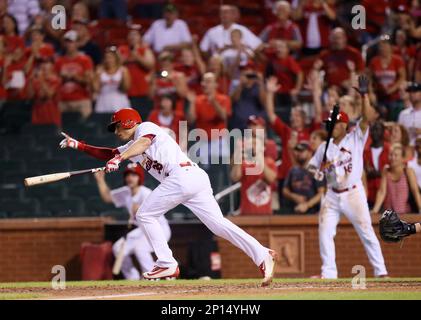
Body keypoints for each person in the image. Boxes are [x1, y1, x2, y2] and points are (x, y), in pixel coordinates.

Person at [59, 108, 277, 286]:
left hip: (183, 176)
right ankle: (261, 253)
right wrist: (78, 145)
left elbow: (143, 143)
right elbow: (109, 153)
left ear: (127, 123)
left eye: (117, 126)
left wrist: (121, 158)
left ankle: (166, 262)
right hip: (193, 179)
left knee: (144, 214)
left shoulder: (145, 128)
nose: (115, 131)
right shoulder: (131, 145)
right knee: (218, 225)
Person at [307, 76, 388, 279]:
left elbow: (367, 118)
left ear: (343, 125)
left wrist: (364, 95)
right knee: (325, 231)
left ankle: (381, 272)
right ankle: (329, 273)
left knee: (367, 232)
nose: (330, 126)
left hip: (353, 192)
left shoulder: (355, 138)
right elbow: (311, 166)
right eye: (329, 123)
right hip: (332, 195)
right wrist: (316, 172)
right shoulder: (324, 146)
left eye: (333, 123)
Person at [93, 163, 171, 280]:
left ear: (139, 177)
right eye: (128, 175)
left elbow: (156, 212)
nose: (130, 178)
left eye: (134, 175)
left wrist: (141, 209)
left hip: (159, 229)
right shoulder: (126, 192)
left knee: (140, 248)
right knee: (118, 248)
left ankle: (152, 277)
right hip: (142, 230)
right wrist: (100, 180)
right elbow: (107, 197)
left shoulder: (146, 193)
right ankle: (132, 279)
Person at [230, 128, 277, 215]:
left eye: (255, 144)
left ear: (263, 147)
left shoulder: (269, 162)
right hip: (247, 214)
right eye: (251, 144)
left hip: (266, 215)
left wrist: (260, 158)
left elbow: (271, 179)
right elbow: (235, 177)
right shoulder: (244, 163)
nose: (253, 146)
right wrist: (239, 159)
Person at [371, 143, 421, 215]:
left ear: (402, 158)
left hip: (405, 215)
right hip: (389, 216)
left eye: (396, 155)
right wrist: (375, 210)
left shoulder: (408, 171)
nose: (392, 157)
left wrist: (420, 209)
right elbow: (382, 192)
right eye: (391, 155)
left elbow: (415, 191)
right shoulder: (386, 171)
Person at [118, 26, 155, 121]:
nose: (133, 37)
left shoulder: (144, 50)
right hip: (125, 93)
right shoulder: (122, 50)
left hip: (142, 92)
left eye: (135, 35)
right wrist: (127, 59)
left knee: (143, 119)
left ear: (140, 37)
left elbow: (150, 64)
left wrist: (137, 57)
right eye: (131, 34)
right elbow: (115, 64)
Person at [55, 30, 94, 119]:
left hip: (81, 100)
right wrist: (62, 77)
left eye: (71, 42)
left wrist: (74, 76)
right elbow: (54, 81)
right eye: (67, 42)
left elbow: (89, 81)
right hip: (63, 101)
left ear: (77, 43)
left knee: (84, 128)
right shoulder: (59, 61)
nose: (69, 45)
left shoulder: (85, 60)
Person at [368, 35, 406, 121]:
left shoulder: (397, 60)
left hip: (395, 97)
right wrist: (371, 92)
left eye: (385, 46)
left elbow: (402, 77)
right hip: (379, 96)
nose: (383, 48)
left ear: (390, 47)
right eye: (381, 46)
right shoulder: (374, 61)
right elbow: (369, 79)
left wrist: (392, 89)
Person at [283, 142, 324, 214]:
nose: (299, 153)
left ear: (310, 153)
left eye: (302, 151)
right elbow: (285, 190)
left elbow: (321, 193)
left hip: (313, 212)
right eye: (298, 151)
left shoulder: (316, 170)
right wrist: (294, 197)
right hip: (294, 211)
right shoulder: (293, 170)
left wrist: (307, 205)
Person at [93, 46, 131, 114]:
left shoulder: (123, 70)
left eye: (111, 57)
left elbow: (126, 88)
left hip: (119, 102)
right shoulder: (100, 71)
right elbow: (96, 89)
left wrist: (122, 79)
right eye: (107, 57)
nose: (109, 60)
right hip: (103, 102)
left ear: (116, 58)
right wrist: (97, 75)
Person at [229, 63, 266, 131]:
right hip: (238, 126)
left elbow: (263, 102)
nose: (249, 77)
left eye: (251, 75)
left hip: (255, 126)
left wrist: (261, 83)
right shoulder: (236, 85)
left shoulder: (259, 87)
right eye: (246, 75)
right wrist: (241, 84)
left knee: (254, 141)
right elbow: (232, 101)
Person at [363, 121, 391, 206]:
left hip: (386, 193)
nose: (375, 132)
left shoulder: (389, 149)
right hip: (369, 193)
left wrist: (379, 173)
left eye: (377, 129)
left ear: (383, 132)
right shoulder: (365, 151)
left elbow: (392, 169)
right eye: (372, 130)